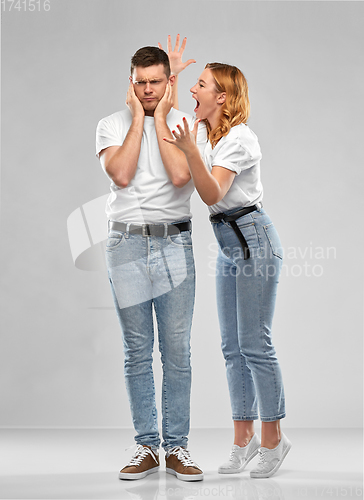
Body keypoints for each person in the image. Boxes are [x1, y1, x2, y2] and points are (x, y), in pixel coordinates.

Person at [163, 62, 292, 479]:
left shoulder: (241, 138)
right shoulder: (202, 132)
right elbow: (185, 169)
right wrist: (173, 82)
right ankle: (243, 440)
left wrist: (191, 151)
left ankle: (274, 439)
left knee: (255, 344)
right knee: (231, 347)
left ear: (223, 97)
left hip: (254, 240)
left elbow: (212, 192)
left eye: (201, 86)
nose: (193, 91)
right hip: (227, 244)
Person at [95, 37, 205, 482]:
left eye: (156, 83)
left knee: (176, 351)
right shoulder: (109, 124)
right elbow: (120, 173)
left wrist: (161, 116)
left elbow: (182, 176)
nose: (147, 90)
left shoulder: (184, 124)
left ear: (168, 83)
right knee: (137, 351)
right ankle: (146, 446)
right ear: (131, 83)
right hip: (126, 245)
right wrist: (140, 122)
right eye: (140, 83)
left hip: (174, 244)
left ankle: (176, 446)